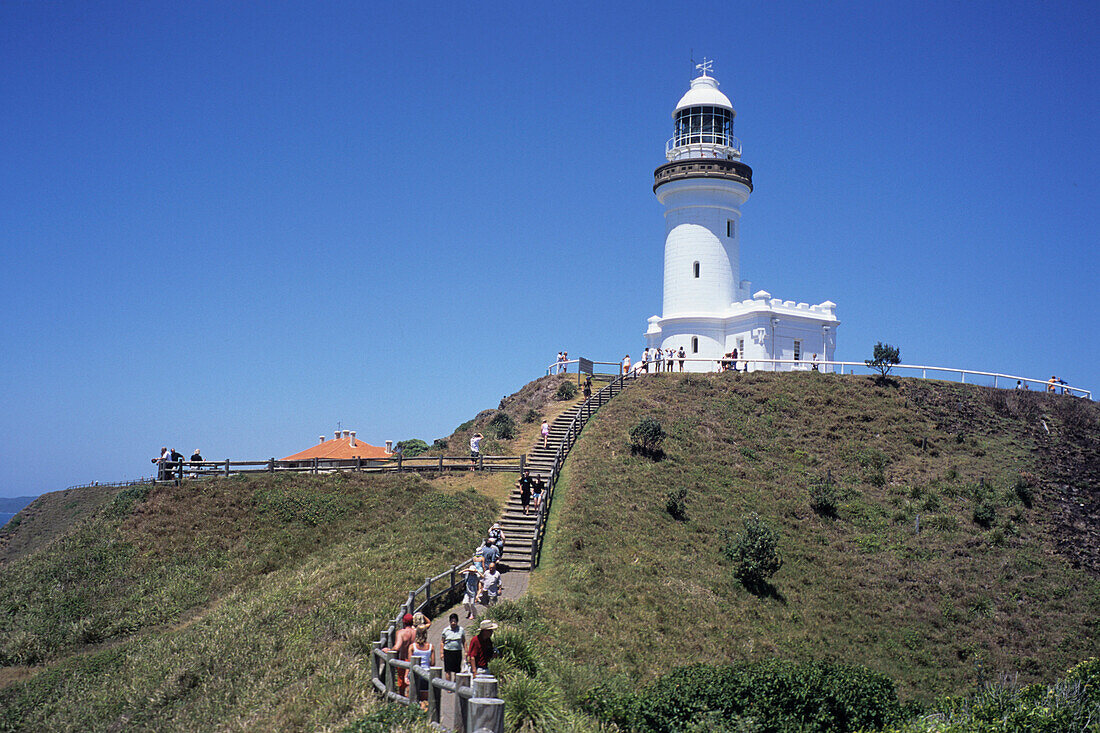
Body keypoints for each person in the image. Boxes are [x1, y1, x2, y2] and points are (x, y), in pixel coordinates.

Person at [384, 613, 417, 695]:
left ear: (404, 622)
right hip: (415, 660)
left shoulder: (401, 633)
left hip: (403, 660)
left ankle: (402, 702)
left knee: (402, 684)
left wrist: (389, 650)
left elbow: (397, 647)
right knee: (413, 682)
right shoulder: (416, 632)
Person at [408, 626, 435, 709]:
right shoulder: (431, 647)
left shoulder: (412, 647)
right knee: (425, 699)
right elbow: (433, 663)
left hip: (415, 674)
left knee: (414, 697)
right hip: (426, 674)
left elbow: (410, 663)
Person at [440, 613, 466, 682]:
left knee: (457, 670)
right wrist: (441, 653)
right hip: (448, 651)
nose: (453, 623)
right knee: (448, 670)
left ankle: (455, 684)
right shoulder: (446, 630)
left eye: (455, 621)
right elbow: (442, 642)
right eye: (452, 621)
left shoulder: (461, 630)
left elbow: (464, 641)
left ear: (457, 621)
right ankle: (448, 686)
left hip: (457, 651)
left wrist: (466, 651)